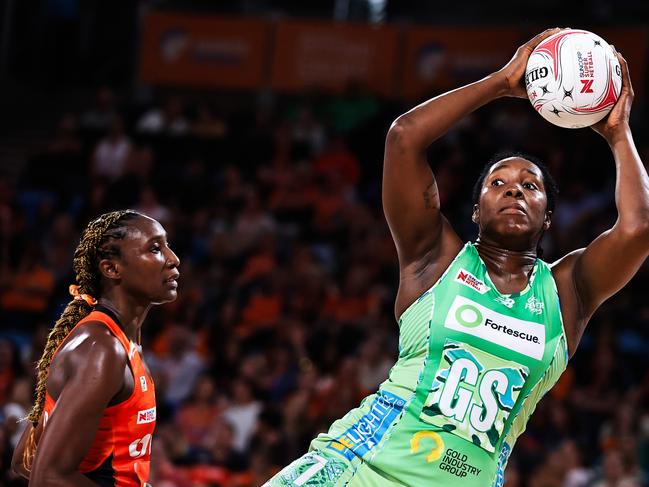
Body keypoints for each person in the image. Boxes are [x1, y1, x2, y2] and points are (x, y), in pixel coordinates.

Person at [264, 28, 649, 486]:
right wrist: (501, 84)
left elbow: (638, 228)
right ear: (475, 209)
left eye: (531, 186)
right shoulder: (434, 258)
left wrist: (617, 132)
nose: (514, 191)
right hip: (360, 469)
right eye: (498, 184)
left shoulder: (568, 292)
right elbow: (404, 138)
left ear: (548, 218)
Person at [10, 209, 180, 486]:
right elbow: (46, 478)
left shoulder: (114, 341)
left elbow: (25, 459)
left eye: (167, 246)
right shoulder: (102, 350)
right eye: (155, 249)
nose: (173, 259)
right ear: (112, 269)